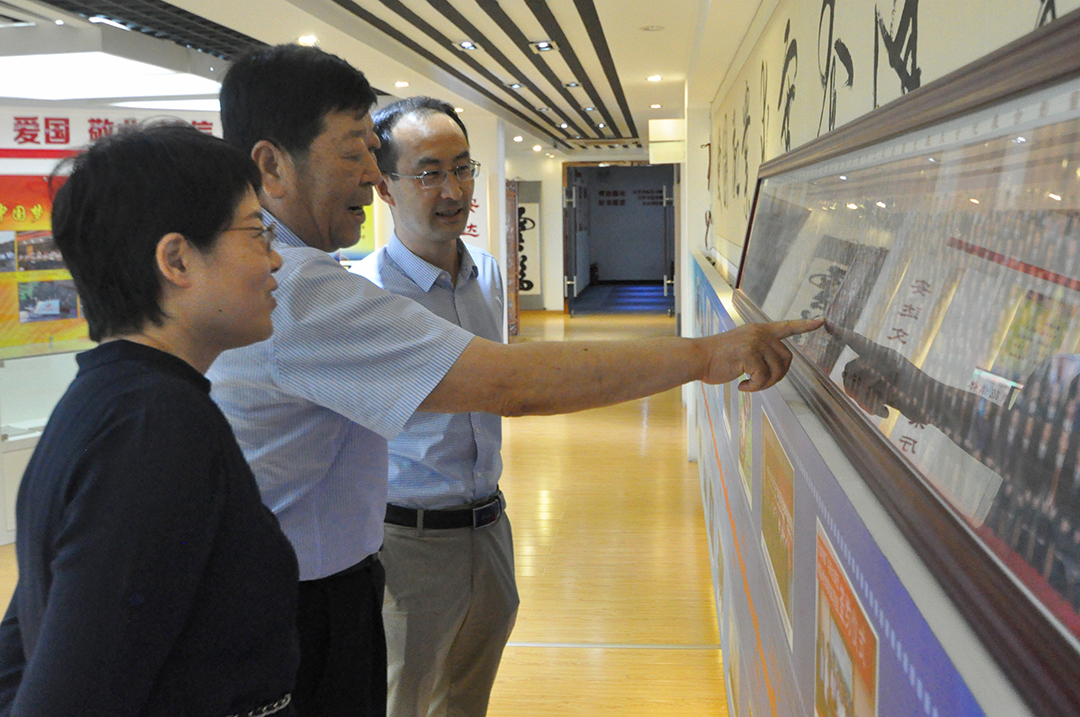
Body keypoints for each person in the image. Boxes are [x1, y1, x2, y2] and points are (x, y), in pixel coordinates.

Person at [208, 43, 821, 717]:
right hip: (312, 592)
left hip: (383, 561)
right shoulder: (296, 288)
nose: (370, 176)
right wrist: (704, 357)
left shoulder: (303, 273)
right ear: (272, 164)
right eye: (356, 152)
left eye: (460, 168)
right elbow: (510, 384)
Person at [0, 123, 298, 716]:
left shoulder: (109, 400)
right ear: (177, 259)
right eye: (256, 232)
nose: (275, 257)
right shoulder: (156, 427)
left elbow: (24, 649)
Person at [355, 96, 513, 717]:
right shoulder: (364, 297)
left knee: (468, 701)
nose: (452, 190)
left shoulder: (487, 275)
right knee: (406, 701)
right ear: (384, 187)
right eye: (428, 174)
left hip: (490, 528)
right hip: (407, 545)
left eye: (462, 168)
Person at [831, 323, 1080, 609]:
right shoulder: (1063, 375)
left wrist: (927, 394)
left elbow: (1051, 461)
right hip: (979, 574)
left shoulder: (1063, 375)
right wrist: (926, 392)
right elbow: (1033, 450)